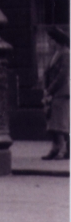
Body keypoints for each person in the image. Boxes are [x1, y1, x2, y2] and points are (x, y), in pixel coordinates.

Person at [43, 25, 69, 161]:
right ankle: (55, 148)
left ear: (57, 40)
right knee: (52, 121)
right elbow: (48, 73)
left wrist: (50, 90)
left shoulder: (66, 53)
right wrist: (46, 89)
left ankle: (63, 149)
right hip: (53, 93)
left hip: (61, 92)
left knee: (59, 122)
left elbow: (62, 76)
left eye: (51, 39)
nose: (49, 42)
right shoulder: (55, 54)